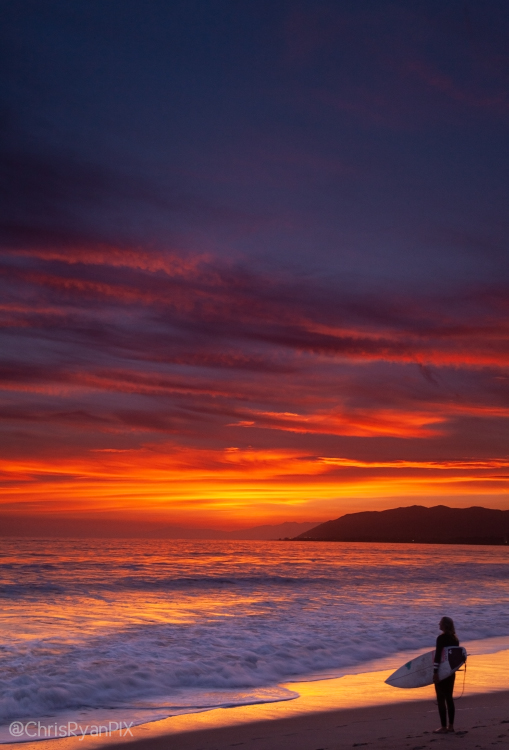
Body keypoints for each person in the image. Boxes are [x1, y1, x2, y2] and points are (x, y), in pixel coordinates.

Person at [433, 616, 459, 734]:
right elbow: (455, 658)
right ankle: (451, 726)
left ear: (445, 625)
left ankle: (443, 727)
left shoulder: (441, 638)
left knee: (441, 698)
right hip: (451, 672)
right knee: (449, 698)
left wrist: (435, 673)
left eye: (441, 623)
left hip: (442, 672)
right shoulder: (455, 639)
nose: (439, 624)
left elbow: (438, 656)